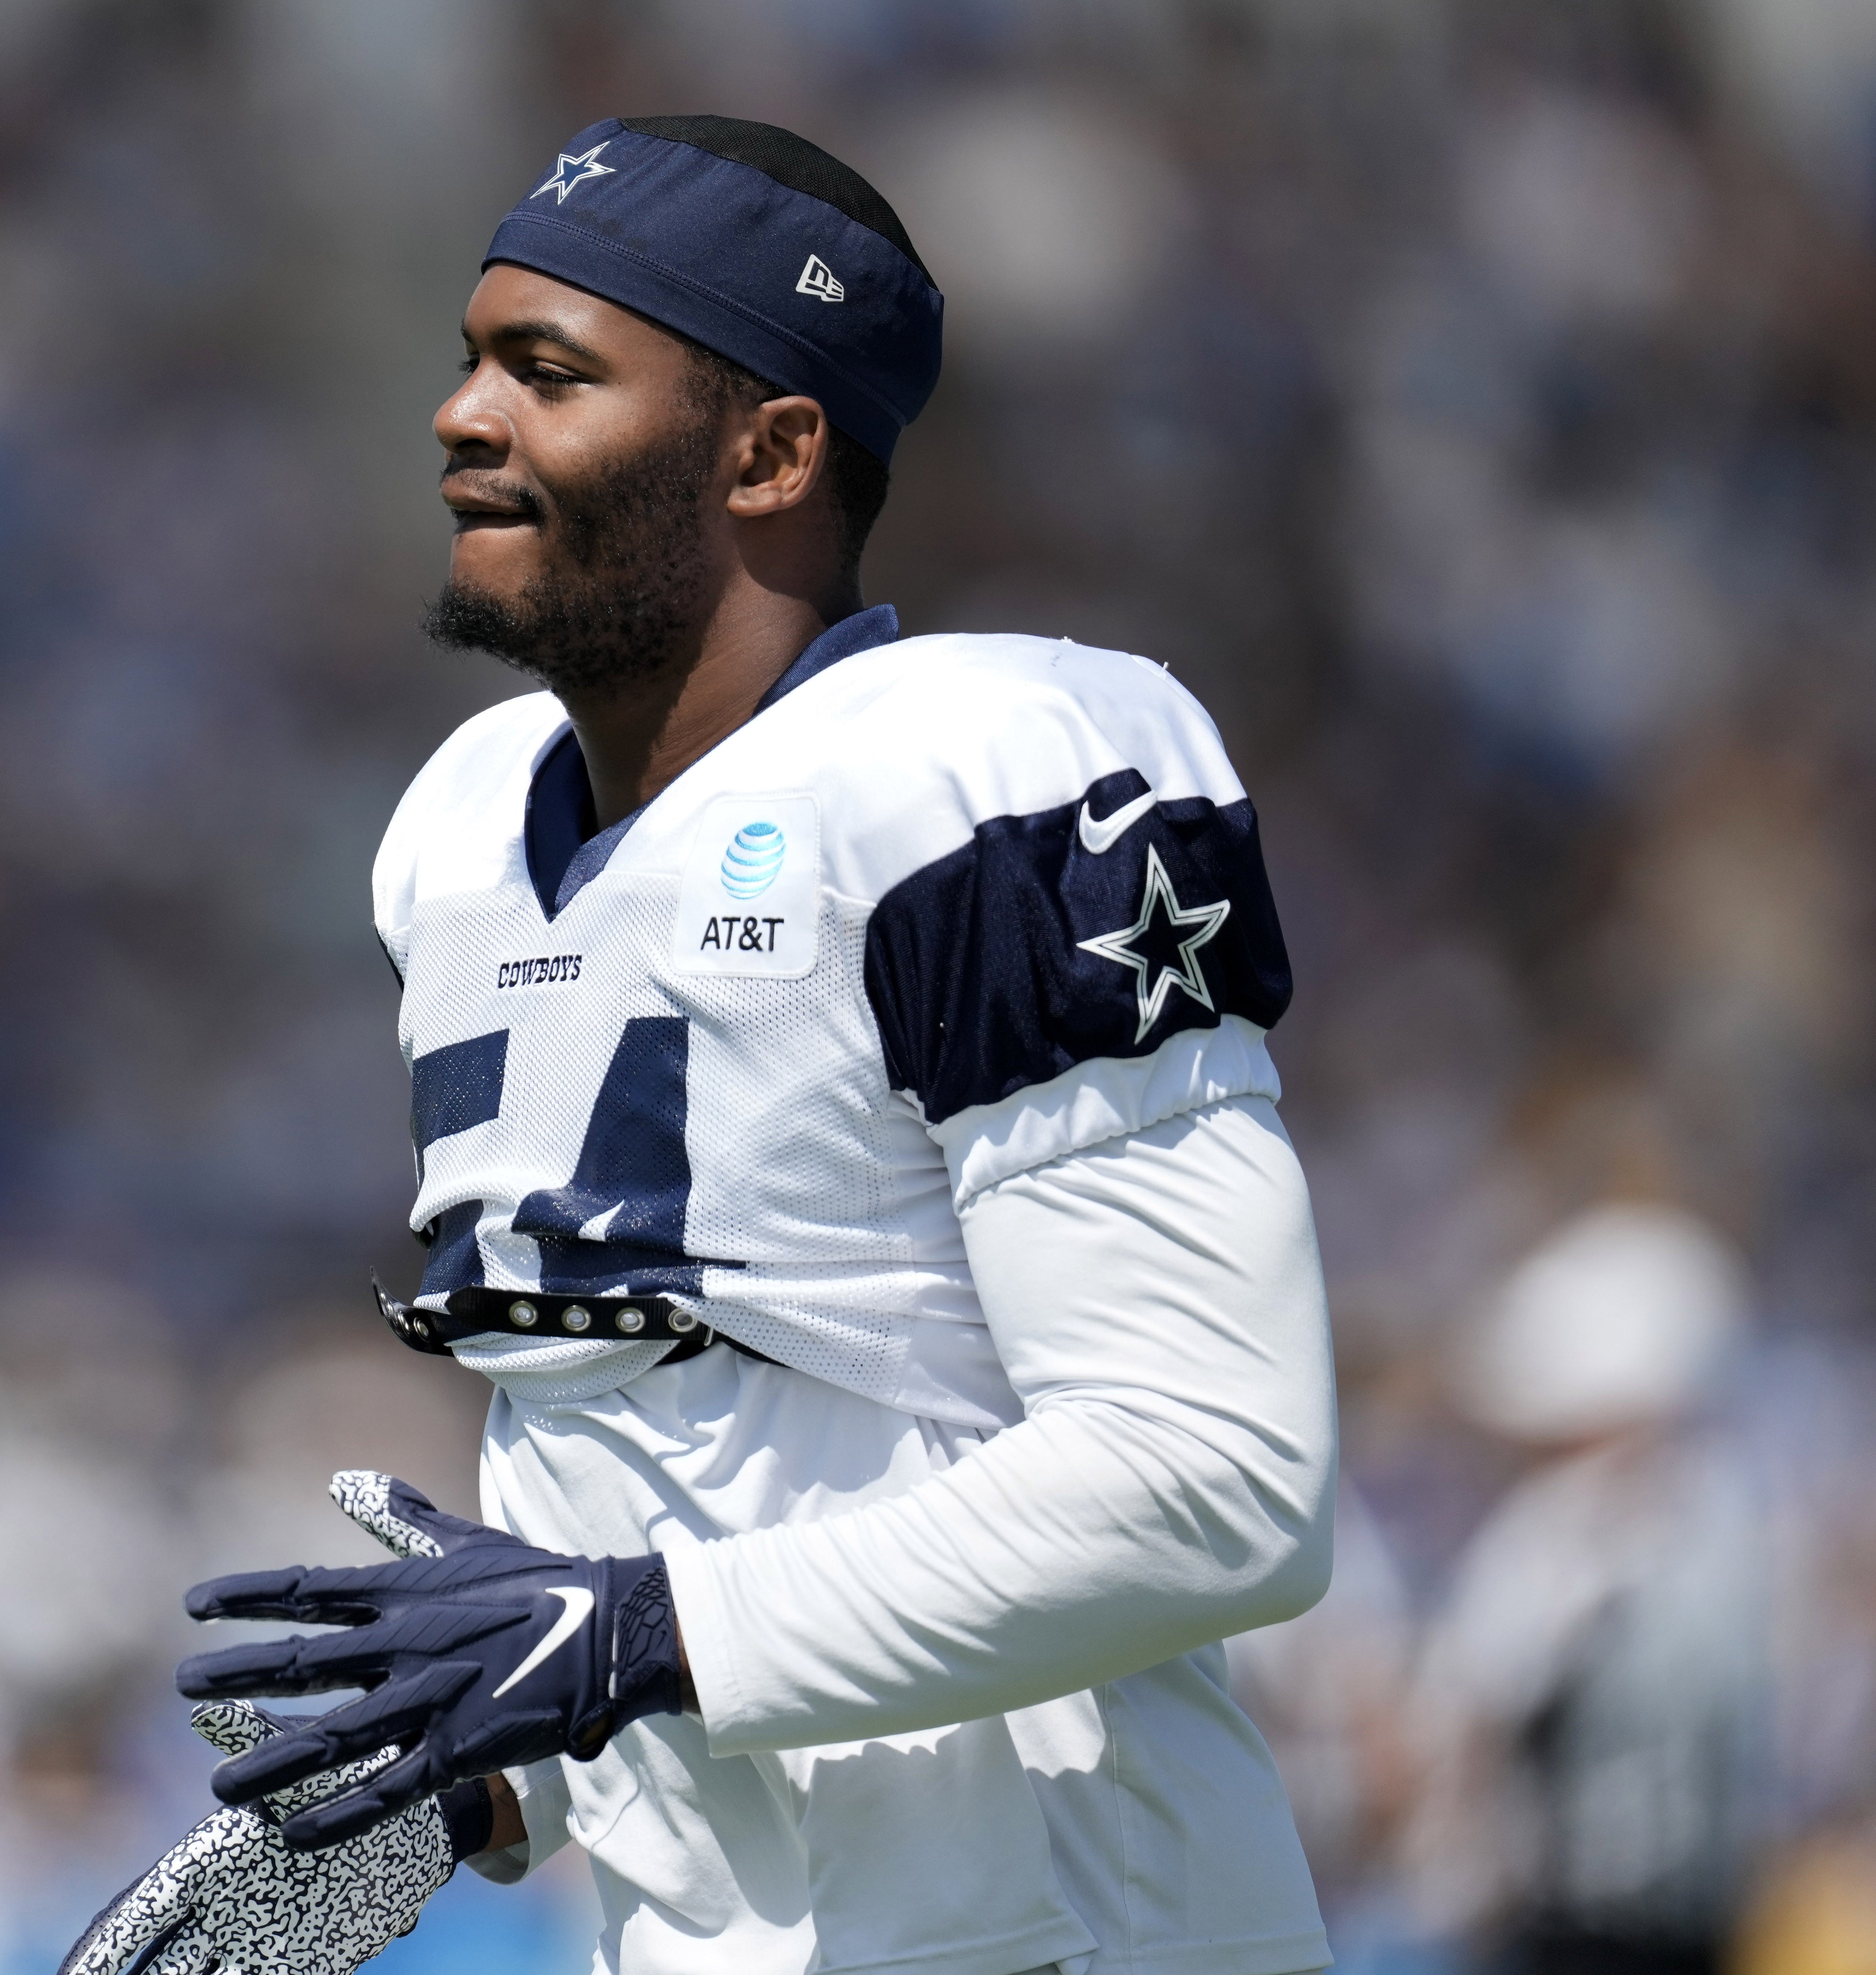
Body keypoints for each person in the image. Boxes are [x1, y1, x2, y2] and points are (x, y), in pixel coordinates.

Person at [66, 114, 1340, 1975]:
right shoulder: (461, 826)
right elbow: (666, 1468)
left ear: (772, 449)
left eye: (549, 371)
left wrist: (633, 1633)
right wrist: (457, 1777)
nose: (459, 414)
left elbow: (1217, 1473)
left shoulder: (989, 770)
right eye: (471, 353)